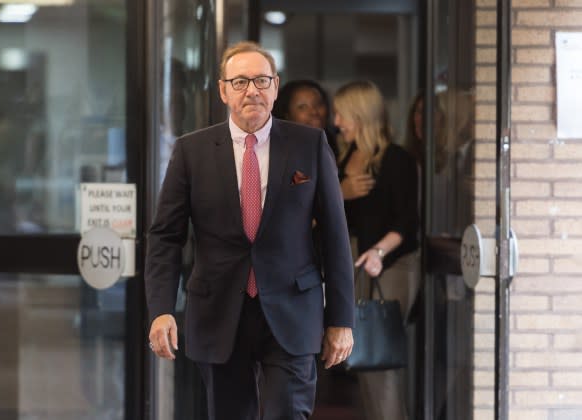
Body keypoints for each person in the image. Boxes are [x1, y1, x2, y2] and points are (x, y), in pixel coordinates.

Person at [145, 41, 355, 420]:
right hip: (219, 310)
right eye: (240, 81)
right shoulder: (191, 151)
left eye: (261, 80)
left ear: (275, 87)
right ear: (223, 90)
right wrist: (161, 309)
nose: (252, 91)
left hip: (292, 310)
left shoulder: (309, 144)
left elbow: (335, 235)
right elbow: (165, 236)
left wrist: (341, 319)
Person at [333, 80, 420, 420]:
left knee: (378, 362)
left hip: (391, 264)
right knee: (363, 360)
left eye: (342, 114)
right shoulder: (346, 157)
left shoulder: (396, 159)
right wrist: (342, 192)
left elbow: (408, 223)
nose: (337, 121)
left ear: (361, 114)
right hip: (356, 264)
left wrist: (379, 254)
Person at [272, 79, 339, 157]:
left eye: (318, 103)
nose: (314, 112)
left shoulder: (340, 145)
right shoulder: (277, 154)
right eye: (302, 107)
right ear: (287, 115)